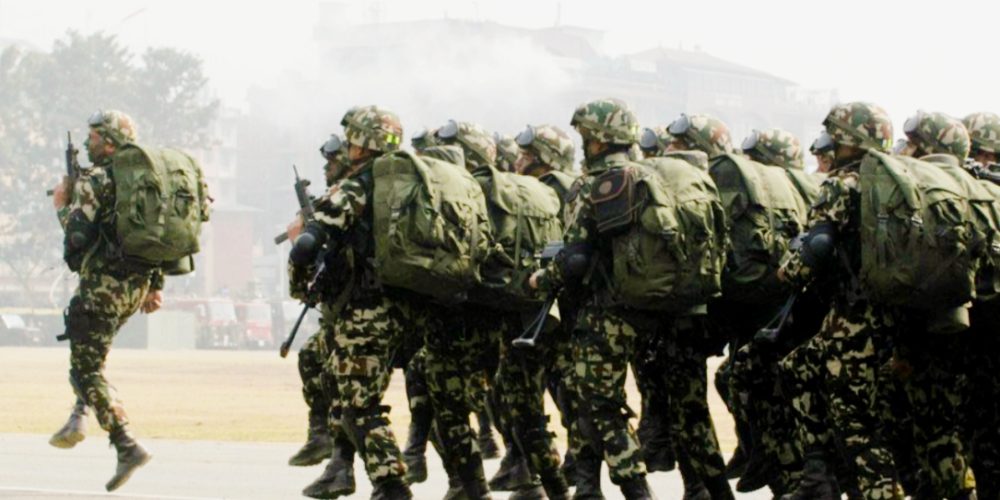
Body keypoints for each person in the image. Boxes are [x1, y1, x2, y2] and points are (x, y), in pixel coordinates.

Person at [529, 98, 655, 499]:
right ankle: (586, 488)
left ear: (598, 140)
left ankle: (637, 490)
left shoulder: (592, 185)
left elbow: (576, 258)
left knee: (600, 407)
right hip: (648, 309)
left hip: (602, 313)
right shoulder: (649, 177)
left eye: (586, 136)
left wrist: (541, 278)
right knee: (581, 396)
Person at [288, 105, 415, 499]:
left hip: (365, 312)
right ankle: (340, 468)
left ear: (361, 144)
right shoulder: (406, 187)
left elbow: (310, 244)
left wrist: (299, 265)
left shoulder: (357, 187)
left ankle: (392, 485)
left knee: (359, 405)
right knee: (334, 380)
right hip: (406, 308)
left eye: (351, 140)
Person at [777, 102, 902, 500]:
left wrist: (787, 268)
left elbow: (813, 252)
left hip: (855, 322)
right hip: (900, 318)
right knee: (798, 367)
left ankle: (877, 491)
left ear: (850, 141)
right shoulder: (901, 181)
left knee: (859, 425)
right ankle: (817, 477)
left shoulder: (842, 184)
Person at [49, 110, 165, 491]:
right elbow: (157, 237)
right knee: (90, 357)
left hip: (102, 288)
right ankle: (79, 413)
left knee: (86, 370)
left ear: (111, 142)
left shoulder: (96, 180)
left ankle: (125, 442)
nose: (88, 143)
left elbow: (77, 237)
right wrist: (155, 285)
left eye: (95, 137)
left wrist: (62, 204)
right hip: (134, 289)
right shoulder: (145, 181)